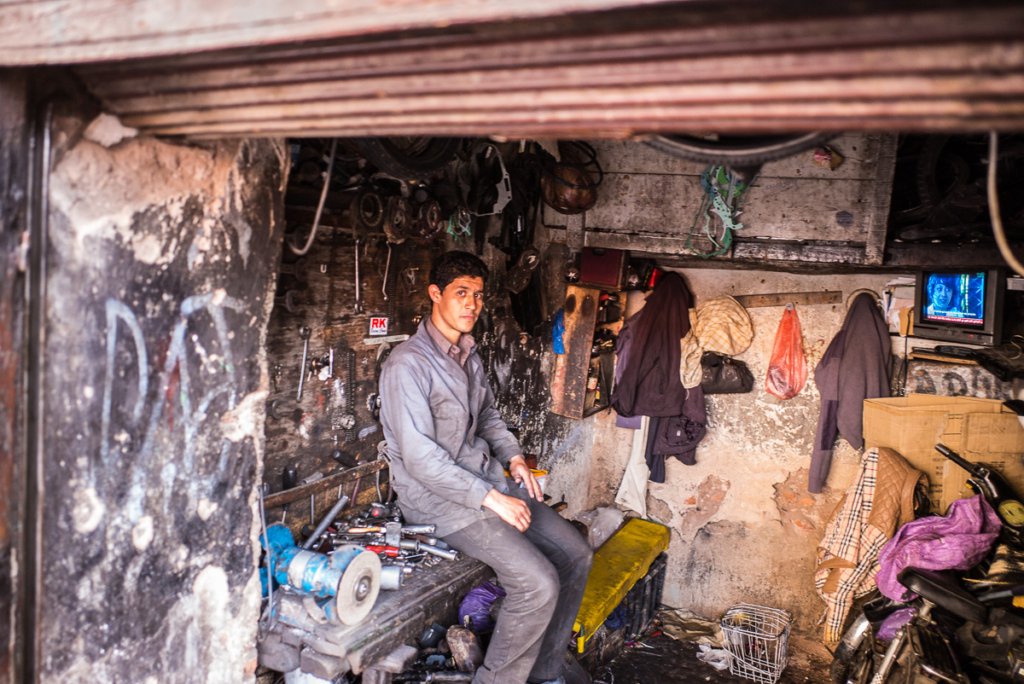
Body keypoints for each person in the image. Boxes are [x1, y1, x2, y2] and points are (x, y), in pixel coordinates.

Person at [380, 250, 593, 684]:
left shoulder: (467, 354)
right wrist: (491, 498)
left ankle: (546, 672)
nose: (472, 304)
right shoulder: (408, 365)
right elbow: (421, 459)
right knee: (537, 584)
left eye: (477, 294)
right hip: (440, 502)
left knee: (576, 554)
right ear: (435, 295)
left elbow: (490, 417)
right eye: (461, 293)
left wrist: (513, 458)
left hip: (487, 483)